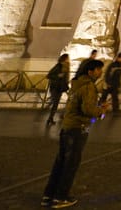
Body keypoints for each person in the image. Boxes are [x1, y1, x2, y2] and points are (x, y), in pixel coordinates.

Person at [42, 58, 109, 208]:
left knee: (60, 163)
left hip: (67, 127)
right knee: (70, 164)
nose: (100, 72)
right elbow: (88, 109)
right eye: (98, 69)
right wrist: (102, 111)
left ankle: (48, 195)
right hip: (78, 128)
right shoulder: (88, 86)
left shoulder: (76, 84)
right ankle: (60, 197)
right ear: (90, 71)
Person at [45, 53, 70, 126]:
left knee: (58, 103)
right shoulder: (59, 66)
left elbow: (64, 78)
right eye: (68, 58)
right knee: (55, 104)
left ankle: (52, 118)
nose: (69, 59)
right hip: (56, 88)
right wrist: (58, 76)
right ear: (64, 59)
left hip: (61, 87)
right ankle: (50, 119)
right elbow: (49, 75)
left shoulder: (65, 66)